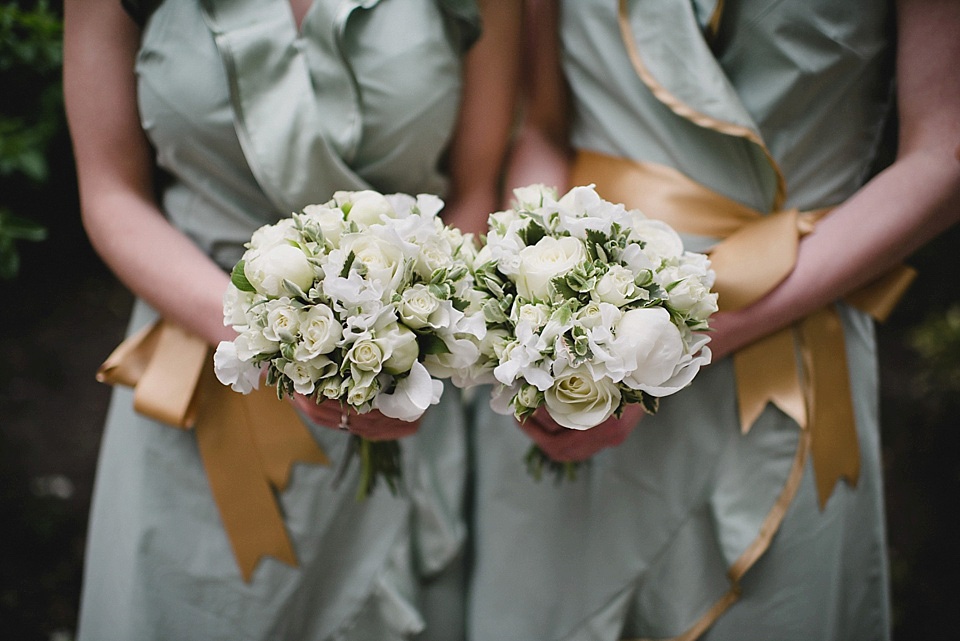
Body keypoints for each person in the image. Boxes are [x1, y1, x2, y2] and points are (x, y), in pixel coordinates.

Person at [467, 0, 960, 639]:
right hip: (569, 370)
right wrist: (538, 311)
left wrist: (671, 346)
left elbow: (942, 156)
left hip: (790, 337)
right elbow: (544, 127)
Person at [63, 0, 518, 639]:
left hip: (403, 388)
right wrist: (273, 338)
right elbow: (110, 192)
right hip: (201, 378)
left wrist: (405, 340)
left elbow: (474, 189)